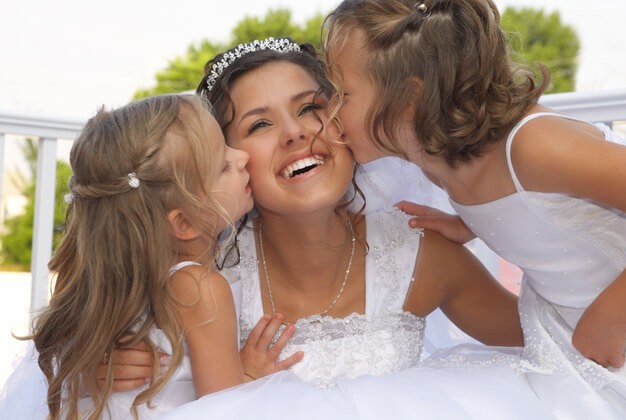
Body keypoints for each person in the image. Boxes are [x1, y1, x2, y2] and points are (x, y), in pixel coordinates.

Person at [106, 37, 556, 419]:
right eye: (260, 123)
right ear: (226, 160)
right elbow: (86, 323)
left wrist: (493, 222)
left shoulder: (418, 252)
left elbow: (553, 339)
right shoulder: (205, 273)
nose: (295, 134)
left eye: (309, 108)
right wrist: (101, 364)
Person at [322, 0, 626, 418]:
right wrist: (469, 224)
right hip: (575, 328)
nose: (329, 114)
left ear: (409, 98)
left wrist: (612, 314)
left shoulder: (536, 148)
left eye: (341, 95)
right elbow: (533, 209)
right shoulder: (432, 159)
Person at [0, 94, 285, 419]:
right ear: (184, 223)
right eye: (223, 165)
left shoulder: (115, 286)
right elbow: (222, 410)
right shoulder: (199, 287)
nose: (243, 157)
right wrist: (249, 377)